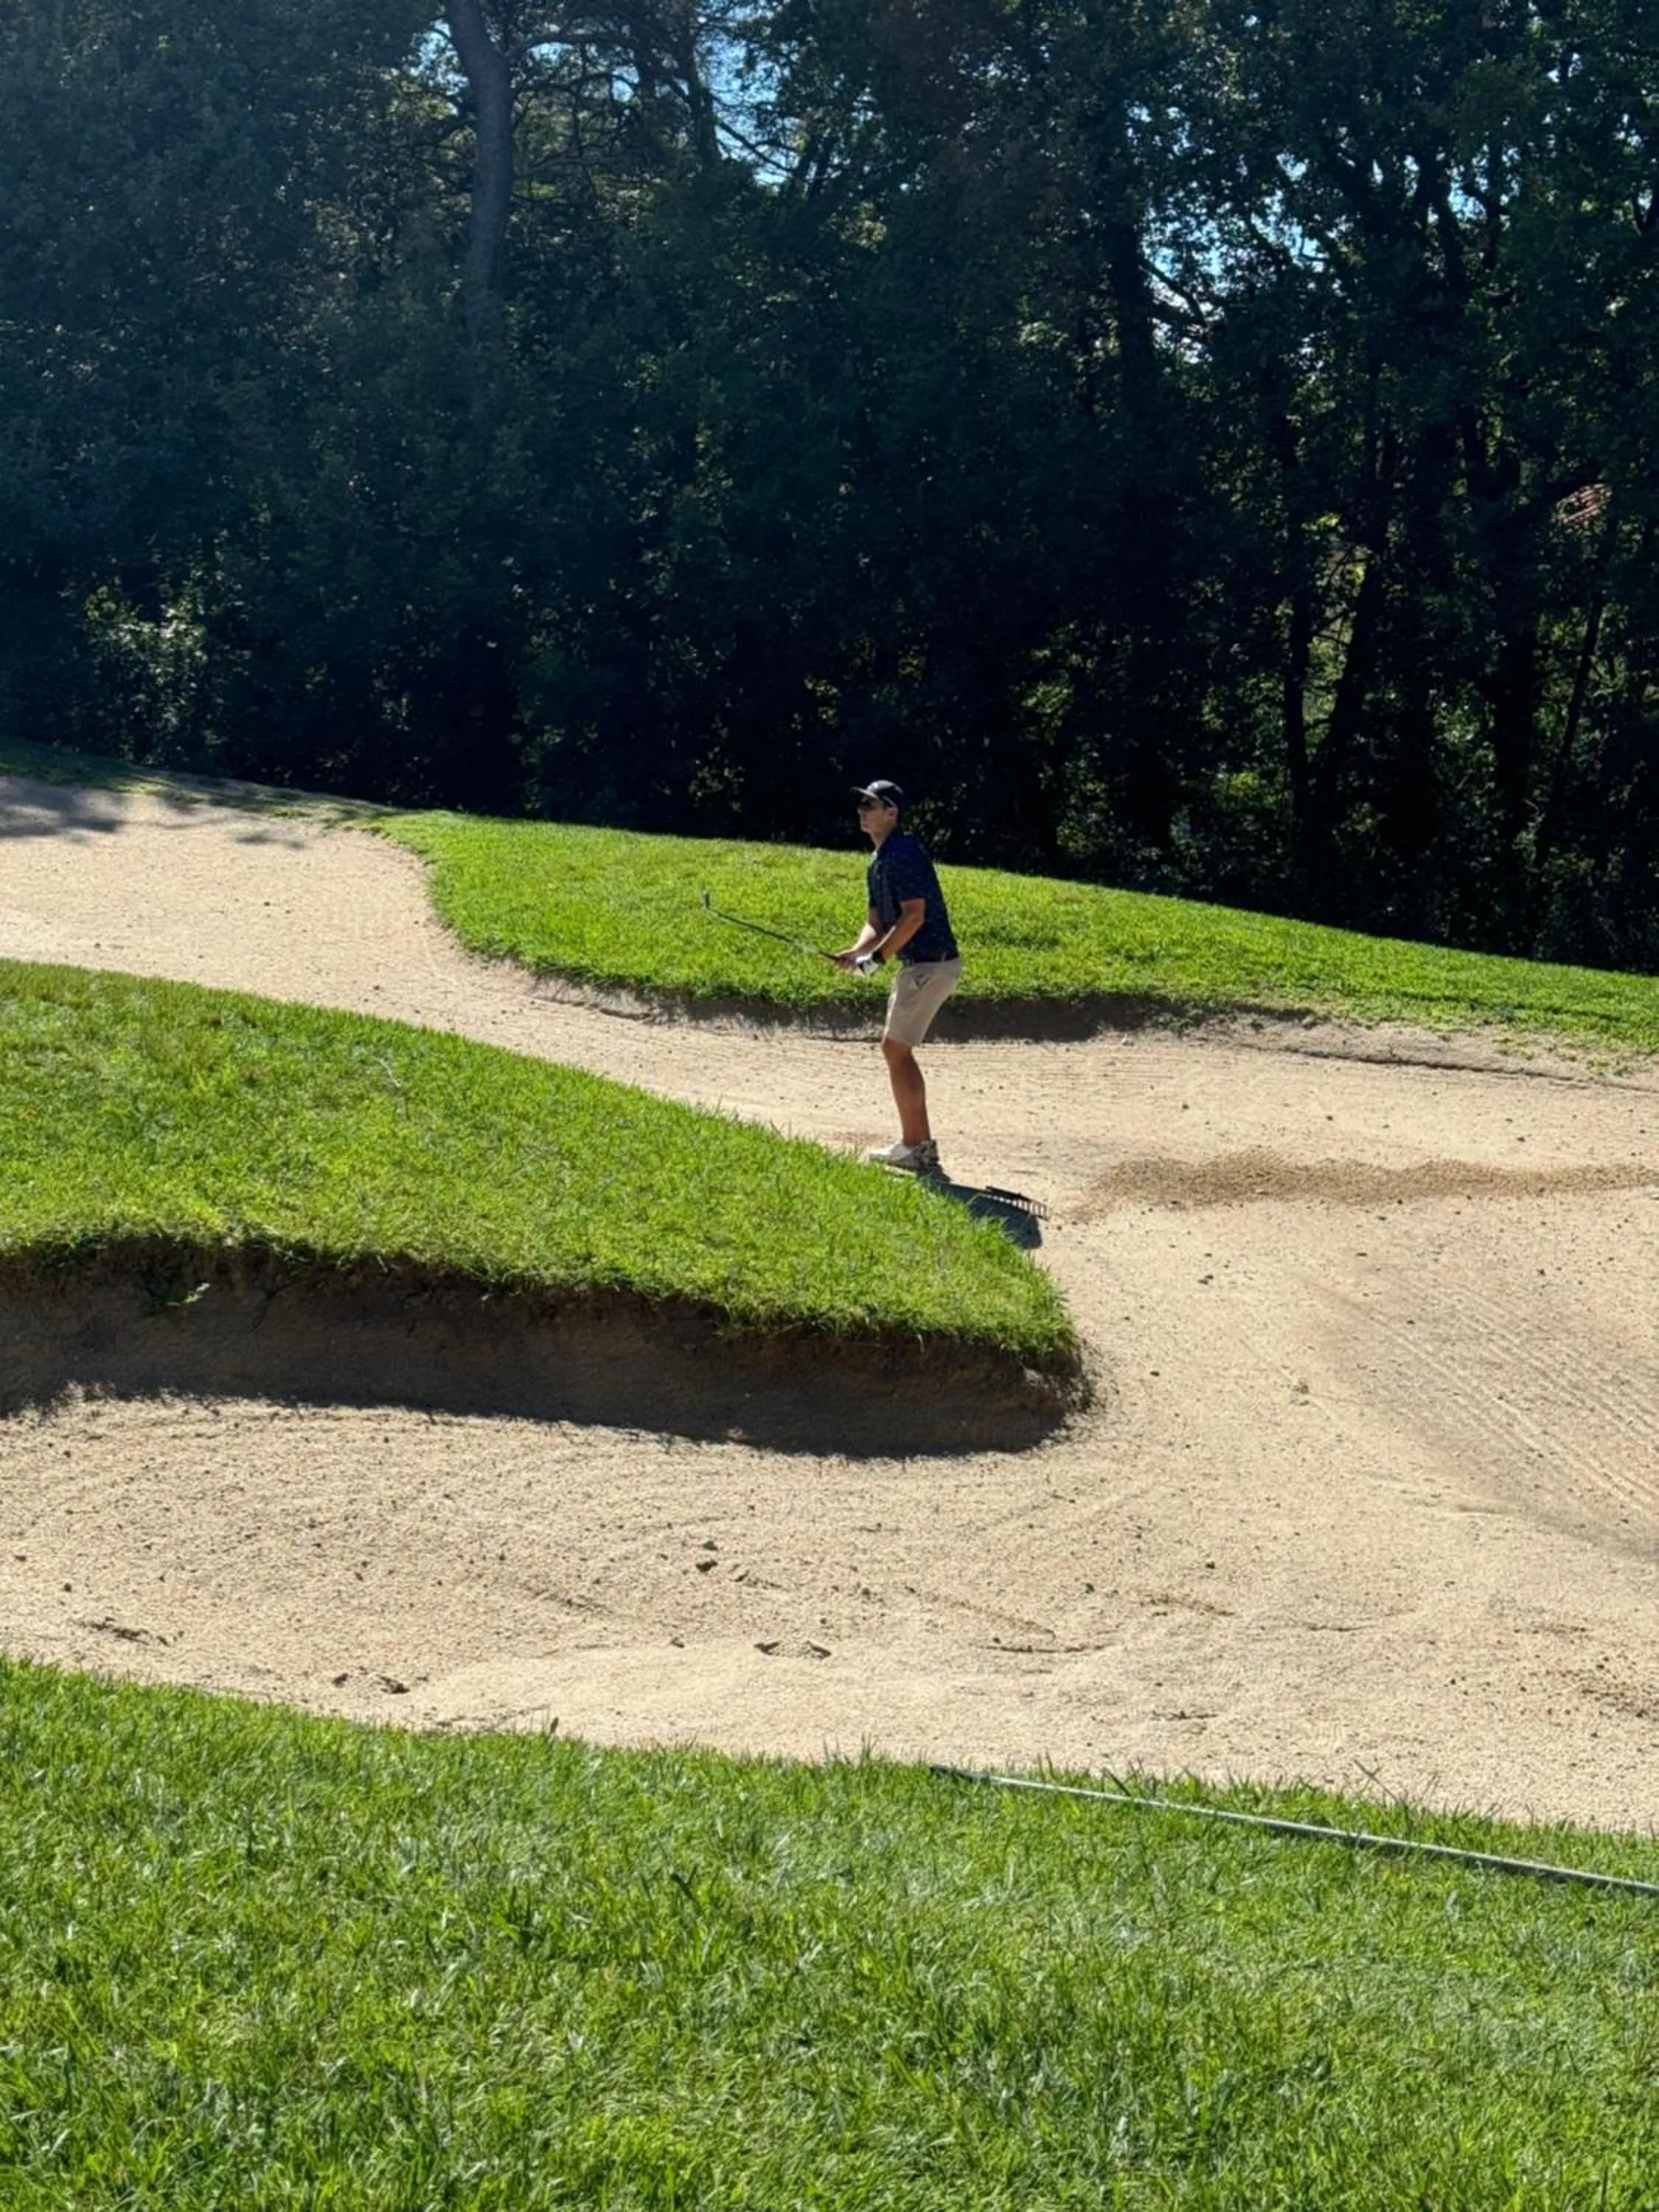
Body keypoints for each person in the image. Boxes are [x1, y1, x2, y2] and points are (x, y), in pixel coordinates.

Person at [834, 779, 961, 1172]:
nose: (863, 812)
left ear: (892, 812)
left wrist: (876, 960)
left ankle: (916, 1147)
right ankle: (917, 1146)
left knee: (895, 1049)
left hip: (930, 963)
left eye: (871, 805)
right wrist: (858, 952)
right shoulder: (878, 861)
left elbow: (914, 916)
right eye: (861, 806)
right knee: (896, 1048)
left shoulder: (902, 852)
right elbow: (876, 922)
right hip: (920, 965)